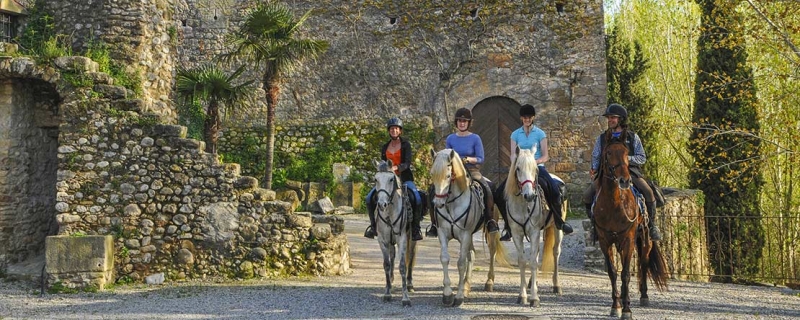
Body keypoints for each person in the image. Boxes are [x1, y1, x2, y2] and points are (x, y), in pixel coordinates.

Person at [582, 103, 662, 241]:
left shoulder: (632, 137)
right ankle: (594, 227)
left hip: (629, 171)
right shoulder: (602, 138)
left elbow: (642, 157)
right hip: (607, 172)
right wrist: (594, 169)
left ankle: (652, 226)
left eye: (613, 118)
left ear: (621, 119)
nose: (610, 120)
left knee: (648, 191)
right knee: (587, 195)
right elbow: (596, 155)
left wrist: (625, 159)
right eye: (609, 118)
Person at [495, 104, 573, 241]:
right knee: (499, 193)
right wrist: (518, 162)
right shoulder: (515, 134)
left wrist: (532, 162)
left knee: (555, 190)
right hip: (519, 168)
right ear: (521, 118)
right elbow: (513, 154)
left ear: (533, 118)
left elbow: (545, 155)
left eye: (529, 117)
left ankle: (559, 221)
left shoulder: (540, 134)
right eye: (525, 117)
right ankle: (508, 227)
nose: (527, 119)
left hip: (537, 167)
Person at [427, 108, 500, 237]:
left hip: (471, 169)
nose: (462, 123)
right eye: (460, 121)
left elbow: (480, 158)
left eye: (464, 121)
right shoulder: (450, 138)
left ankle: (490, 220)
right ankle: (434, 224)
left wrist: (466, 159)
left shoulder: (475, 138)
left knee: (487, 188)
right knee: (433, 189)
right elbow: (447, 156)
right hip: (452, 171)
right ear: (456, 122)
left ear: (468, 123)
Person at [364, 117, 425, 241]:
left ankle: (415, 229)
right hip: (388, 180)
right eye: (392, 129)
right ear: (389, 131)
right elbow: (383, 163)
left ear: (400, 131)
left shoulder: (406, 145)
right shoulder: (385, 147)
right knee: (369, 197)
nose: (394, 131)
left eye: (396, 129)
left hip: (404, 178)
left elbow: (408, 162)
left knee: (417, 198)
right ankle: (373, 227)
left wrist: (397, 168)